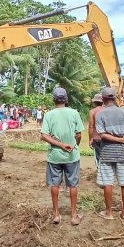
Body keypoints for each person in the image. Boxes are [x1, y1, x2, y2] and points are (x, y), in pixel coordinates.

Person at [40, 87, 84, 226]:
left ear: (53, 99)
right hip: (72, 156)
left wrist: (59, 145)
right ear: (66, 99)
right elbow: (79, 135)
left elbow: (44, 136)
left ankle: (56, 215)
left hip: (54, 156)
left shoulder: (49, 115)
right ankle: (73, 215)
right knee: (73, 184)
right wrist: (72, 145)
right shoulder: (74, 113)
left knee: (54, 183)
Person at [95, 87, 124, 220]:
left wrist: (118, 139)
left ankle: (109, 212)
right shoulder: (123, 113)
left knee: (107, 182)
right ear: (115, 98)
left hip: (107, 152)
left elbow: (102, 135)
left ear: (103, 99)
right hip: (122, 152)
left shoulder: (100, 114)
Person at [88, 93, 104, 168]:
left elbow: (91, 126)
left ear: (94, 102)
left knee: (98, 156)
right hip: (107, 137)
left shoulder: (92, 111)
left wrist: (90, 139)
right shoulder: (107, 110)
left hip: (96, 138)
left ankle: (100, 172)